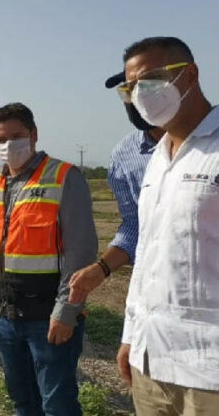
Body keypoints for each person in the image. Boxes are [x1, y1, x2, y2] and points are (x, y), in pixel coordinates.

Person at [115, 36, 219, 415]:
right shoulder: (157, 159)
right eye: (131, 87)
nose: (140, 93)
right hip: (151, 362)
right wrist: (131, 334)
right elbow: (147, 252)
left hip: (213, 372)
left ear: (190, 75)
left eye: (151, 79)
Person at [0, 102, 97, 415]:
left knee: (57, 405)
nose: (8, 145)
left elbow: (81, 252)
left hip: (48, 316)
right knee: (23, 401)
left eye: (16, 136)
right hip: (5, 315)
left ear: (34, 135)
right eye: (0, 139)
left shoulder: (63, 177)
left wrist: (67, 311)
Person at [68, 72, 165, 304]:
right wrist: (101, 268)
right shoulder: (125, 154)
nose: (135, 98)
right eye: (128, 90)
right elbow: (135, 226)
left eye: (147, 87)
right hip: (156, 291)